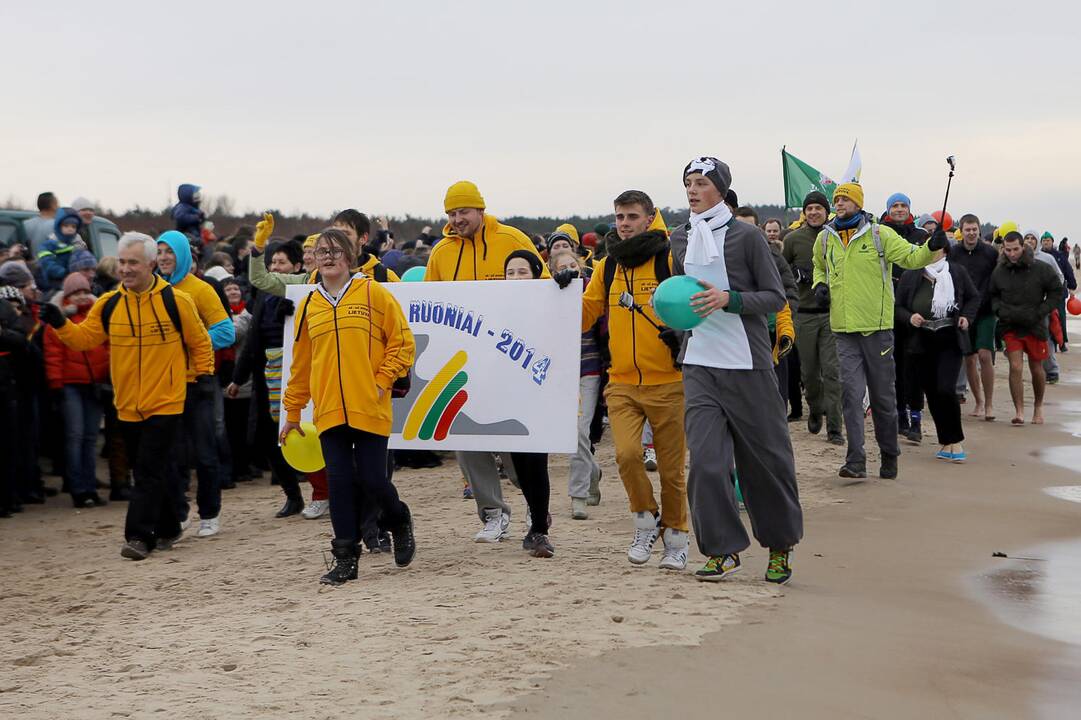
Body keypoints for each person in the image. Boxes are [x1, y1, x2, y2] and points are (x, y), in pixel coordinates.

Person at [39, 232, 213, 559]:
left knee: (146, 470)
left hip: (168, 399)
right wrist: (60, 323)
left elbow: (200, 342)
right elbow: (84, 339)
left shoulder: (176, 301)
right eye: (122, 262)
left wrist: (200, 378)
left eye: (133, 262)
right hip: (127, 404)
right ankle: (170, 524)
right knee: (148, 468)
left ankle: (139, 537)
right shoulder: (109, 303)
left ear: (150, 264)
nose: (125, 268)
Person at [668, 157, 801, 584]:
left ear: (720, 189)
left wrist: (731, 300)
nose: (692, 190)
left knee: (766, 462)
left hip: (748, 362)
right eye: (688, 182)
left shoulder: (746, 237)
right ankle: (722, 549)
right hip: (700, 364)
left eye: (701, 183)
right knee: (706, 463)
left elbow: (775, 297)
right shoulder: (679, 238)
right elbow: (680, 294)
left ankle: (780, 547)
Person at [281, 228, 417, 585]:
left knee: (373, 479)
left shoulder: (373, 292)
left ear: (350, 256)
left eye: (334, 250)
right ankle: (345, 558)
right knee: (339, 483)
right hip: (327, 411)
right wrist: (292, 414)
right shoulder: (309, 306)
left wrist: (381, 380)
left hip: (369, 405)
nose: (327, 256)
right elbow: (301, 365)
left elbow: (402, 342)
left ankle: (398, 518)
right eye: (320, 251)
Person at [425, 181, 549, 542]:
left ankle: (533, 508)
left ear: (480, 209)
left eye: (463, 211)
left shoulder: (511, 240)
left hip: (511, 363)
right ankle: (493, 513)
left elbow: (542, 292)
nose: (457, 219)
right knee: (466, 438)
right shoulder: (440, 253)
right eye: (451, 213)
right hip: (463, 367)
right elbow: (431, 305)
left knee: (516, 444)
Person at [581, 190, 689, 570]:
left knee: (672, 471)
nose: (623, 224)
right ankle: (645, 520)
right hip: (622, 382)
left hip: (669, 381)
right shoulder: (606, 266)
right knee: (627, 456)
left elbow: (695, 305)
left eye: (631, 216)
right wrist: (556, 288)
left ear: (650, 218)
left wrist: (681, 334)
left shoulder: (670, 258)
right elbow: (585, 313)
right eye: (619, 217)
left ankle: (676, 537)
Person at [812, 182, 945, 479]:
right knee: (851, 395)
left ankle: (889, 454)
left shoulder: (878, 234)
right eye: (837, 199)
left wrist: (931, 247)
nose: (840, 203)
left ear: (858, 203)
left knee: (883, 397)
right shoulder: (825, 238)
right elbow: (819, 267)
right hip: (843, 329)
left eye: (845, 199)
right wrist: (819, 285)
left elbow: (912, 258)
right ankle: (856, 460)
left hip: (877, 329)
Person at [157, 230, 236, 537]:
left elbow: (226, 332)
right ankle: (179, 512)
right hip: (165, 385)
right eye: (160, 251)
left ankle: (210, 512)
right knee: (172, 455)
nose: (164, 257)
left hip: (199, 383)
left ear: (183, 255)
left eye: (169, 251)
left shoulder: (201, 290)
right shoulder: (153, 289)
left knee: (204, 453)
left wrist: (188, 346)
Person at [228, 239, 311, 518]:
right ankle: (292, 494)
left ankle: (323, 492)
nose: (275, 267)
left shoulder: (306, 292)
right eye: (272, 263)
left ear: (297, 267)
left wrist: (292, 315)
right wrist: (238, 378)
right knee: (267, 436)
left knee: (304, 432)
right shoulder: (264, 295)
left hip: (299, 372)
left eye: (281, 263)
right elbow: (252, 339)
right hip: (267, 373)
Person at [500, 249, 562, 556]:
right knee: (520, 465)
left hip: (541, 393)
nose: (515, 277)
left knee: (536, 461)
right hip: (509, 393)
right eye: (510, 272)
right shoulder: (497, 307)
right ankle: (538, 513)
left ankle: (540, 529)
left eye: (522, 271)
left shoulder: (551, 302)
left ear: (537, 274)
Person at [895, 256, 979, 462]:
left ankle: (956, 441)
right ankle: (945, 442)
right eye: (930, 250)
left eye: (939, 250)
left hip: (950, 338)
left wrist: (966, 317)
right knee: (932, 392)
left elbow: (973, 297)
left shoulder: (956, 272)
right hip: (921, 341)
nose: (935, 254)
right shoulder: (910, 274)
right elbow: (898, 307)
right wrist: (909, 317)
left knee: (946, 388)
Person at [43, 272, 110, 507]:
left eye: (84, 291)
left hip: (95, 384)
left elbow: (109, 347)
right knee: (75, 435)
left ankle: (90, 486)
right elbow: (53, 355)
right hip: (70, 384)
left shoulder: (98, 315)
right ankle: (77, 488)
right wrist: (56, 384)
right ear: (68, 295)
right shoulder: (57, 319)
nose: (82, 296)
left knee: (90, 437)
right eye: (76, 293)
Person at [783, 191, 844, 445]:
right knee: (809, 374)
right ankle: (815, 407)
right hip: (804, 316)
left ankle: (834, 427)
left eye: (819, 208)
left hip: (832, 314)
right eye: (809, 209)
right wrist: (795, 275)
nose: (814, 213)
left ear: (826, 211)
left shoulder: (837, 237)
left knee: (832, 371)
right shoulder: (793, 239)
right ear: (804, 213)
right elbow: (780, 273)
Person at [548, 249, 602, 520]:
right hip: (560, 374)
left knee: (579, 431)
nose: (569, 270)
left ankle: (577, 495)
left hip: (588, 371)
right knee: (572, 434)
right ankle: (593, 471)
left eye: (574, 265)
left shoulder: (593, 294)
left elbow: (604, 332)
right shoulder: (548, 298)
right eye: (563, 267)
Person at [990, 231, 1063, 425]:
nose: (1012, 254)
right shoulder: (999, 271)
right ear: (1003, 249)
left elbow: (1057, 290)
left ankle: (1038, 407)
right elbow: (993, 295)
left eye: (1016, 249)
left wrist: (1042, 311)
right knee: (1015, 366)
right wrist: (999, 310)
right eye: (1008, 250)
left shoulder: (1040, 268)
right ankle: (1019, 411)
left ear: (1023, 247)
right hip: (1010, 325)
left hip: (1035, 324)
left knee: (1036, 367)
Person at [879, 192, 930, 442]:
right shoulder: (879, 234)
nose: (899, 209)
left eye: (903, 205)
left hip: (915, 309)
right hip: (888, 308)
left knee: (915, 365)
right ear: (888, 210)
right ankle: (900, 415)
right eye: (895, 206)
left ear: (910, 209)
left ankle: (916, 418)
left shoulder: (921, 236)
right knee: (895, 366)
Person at [949, 214, 999, 420]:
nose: (971, 233)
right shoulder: (953, 253)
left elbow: (1000, 277)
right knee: (968, 360)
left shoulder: (990, 253)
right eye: (967, 229)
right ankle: (978, 401)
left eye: (974, 229)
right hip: (963, 313)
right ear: (961, 231)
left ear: (979, 230)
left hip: (986, 311)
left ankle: (989, 405)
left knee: (985, 356)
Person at [1040, 231, 1076, 352]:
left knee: (1060, 317)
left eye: (1048, 240)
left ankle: (1062, 342)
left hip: (1059, 292)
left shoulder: (1060, 256)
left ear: (1052, 242)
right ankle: (1048, 342)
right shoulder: (1037, 256)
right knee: (1045, 318)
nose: (1046, 242)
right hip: (1041, 292)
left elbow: (1068, 272)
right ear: (1041, 243)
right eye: (1044, 241)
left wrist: (1072, 286)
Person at [37, 208, 84, 294]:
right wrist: (63, 272)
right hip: (52, 285)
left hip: (72, 285)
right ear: (58, 226)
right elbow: (46, 262)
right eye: (66, 226)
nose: (70, 229)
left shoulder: (78, 245)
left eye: (73, 226)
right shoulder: (49, 244)